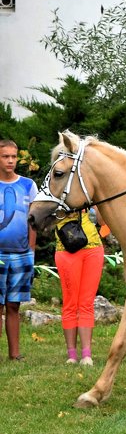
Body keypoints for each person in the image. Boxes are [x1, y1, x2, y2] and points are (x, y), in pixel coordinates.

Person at [54, 207, 105, 365]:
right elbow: (46, 217)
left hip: (93, 248)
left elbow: (103, 221)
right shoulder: (55, 189)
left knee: (86, 303)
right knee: (70, 302)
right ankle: (71, 355)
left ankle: (86, 355)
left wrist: (95, 206)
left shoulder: (87, 190)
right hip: (66, 248)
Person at [0, 139, 36, 361]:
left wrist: (31, 249)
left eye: (14, 156)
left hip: (22, 254)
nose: (11, 161)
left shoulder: (28, 185)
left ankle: (15, 354)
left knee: (14, 304)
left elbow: (33, 220)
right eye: (5, 156)